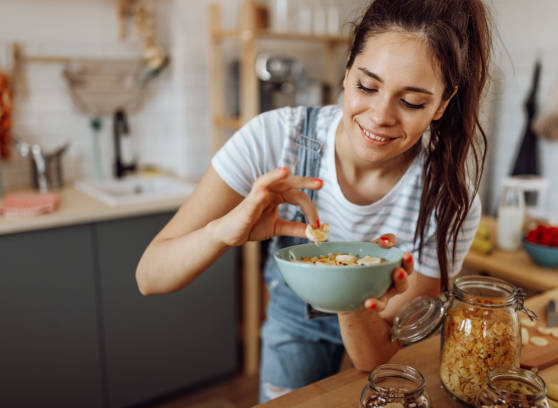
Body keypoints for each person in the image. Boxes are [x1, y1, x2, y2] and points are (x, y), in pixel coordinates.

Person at [135, 0, 491, 403]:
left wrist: (350, 286)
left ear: (443, 104)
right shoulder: (275, 138)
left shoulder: (449, 201)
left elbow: (374, 356)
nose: (379, 116)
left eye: (411, 102)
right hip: (295, 324)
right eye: (367, 86)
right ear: (346, 70)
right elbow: (150, 276)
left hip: (371, 331)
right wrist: (223, 232)